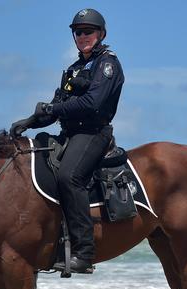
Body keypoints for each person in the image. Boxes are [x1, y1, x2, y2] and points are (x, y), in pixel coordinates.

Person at [10, 8, 124, 273]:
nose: (82, 36)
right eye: (78, 32)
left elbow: (93, 102)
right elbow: (56, 106)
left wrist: (53, 110)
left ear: (101, 34)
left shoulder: (107, 64)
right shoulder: (74, 68)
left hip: (94, 133)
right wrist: (29, 121)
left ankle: (84, 252)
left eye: (88, 31)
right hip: (70, 133)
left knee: (69, 177)